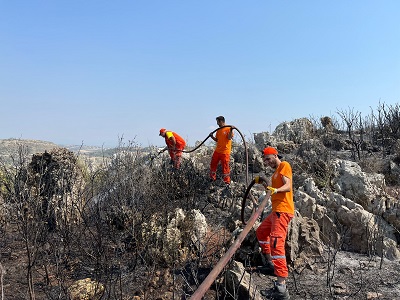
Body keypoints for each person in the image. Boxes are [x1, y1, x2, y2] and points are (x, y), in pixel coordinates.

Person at [255, 146, 294, 300]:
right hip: (275, 211)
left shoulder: (284, 166)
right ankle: (270, 264)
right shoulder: (275, 173)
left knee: (276, 243)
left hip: (283, 211)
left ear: (275, 155)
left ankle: (281, 288)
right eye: (265, 160)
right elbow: (273, 189)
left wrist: (277, 190)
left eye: (268, 159)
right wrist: (264, 184)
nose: (267, 162)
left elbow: (287, 185)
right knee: (261, 232)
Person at [209, 116, 235, 185]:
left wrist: (231, 130)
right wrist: (212, 136)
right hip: (217, 151)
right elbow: (217, 140)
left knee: (225, 167)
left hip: (225, 152)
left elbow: (229, 138)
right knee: (213, 164)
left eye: (217, 122)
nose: (217, 123)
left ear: (221, 121)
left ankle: (227, 182)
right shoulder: (218, 130)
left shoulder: (228, 128)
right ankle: (212, 178)